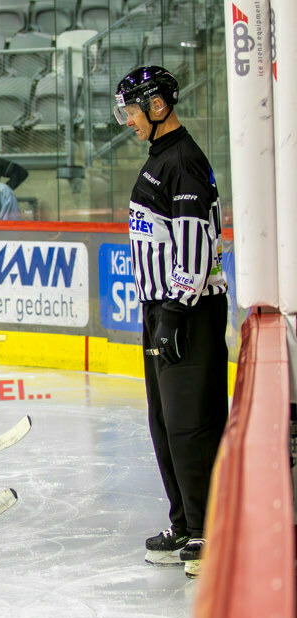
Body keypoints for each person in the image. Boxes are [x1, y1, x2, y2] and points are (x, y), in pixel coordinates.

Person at [115, 66, 229, 580]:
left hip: (188, 313)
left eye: (132, 111)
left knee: (190, 425)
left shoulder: (182, 162)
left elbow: (197, 248)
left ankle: (210, 529)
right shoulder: (161, 158)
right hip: (163, 310)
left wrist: (176, 314)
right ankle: (185, 523)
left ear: (157, 106)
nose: (129, 122)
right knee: (164, 424)